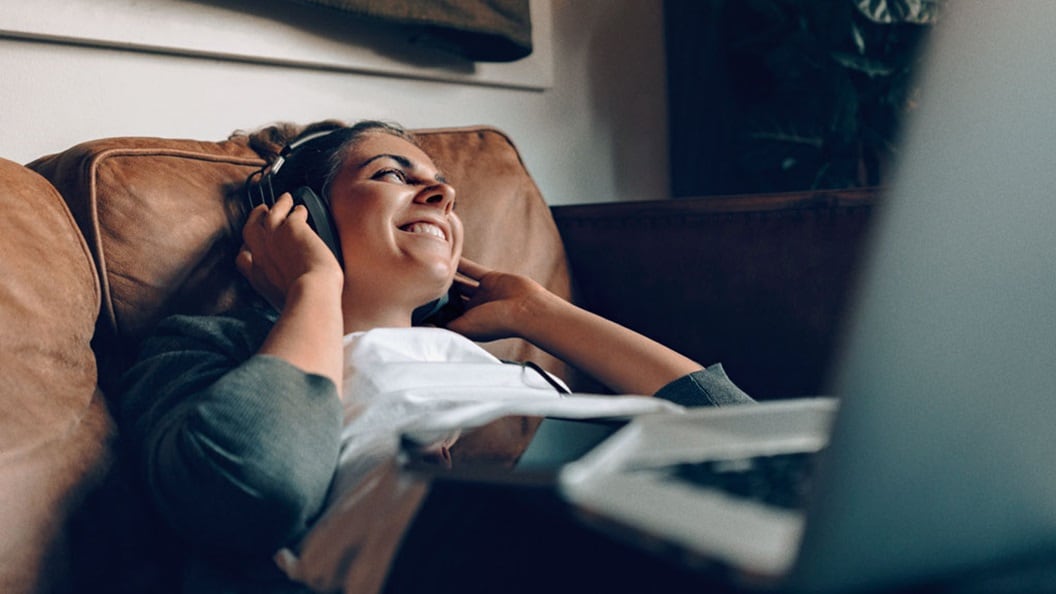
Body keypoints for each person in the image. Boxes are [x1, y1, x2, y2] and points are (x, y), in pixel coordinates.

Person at [118, 120, 753, 593]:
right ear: (307, 218)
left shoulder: (498, 364)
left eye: (443, 187)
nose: (441, 198)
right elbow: (252, 487)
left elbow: (744, 431)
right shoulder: (216, 347)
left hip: (648, 519)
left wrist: (536, 311)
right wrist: (315, 288)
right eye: (392, 174)